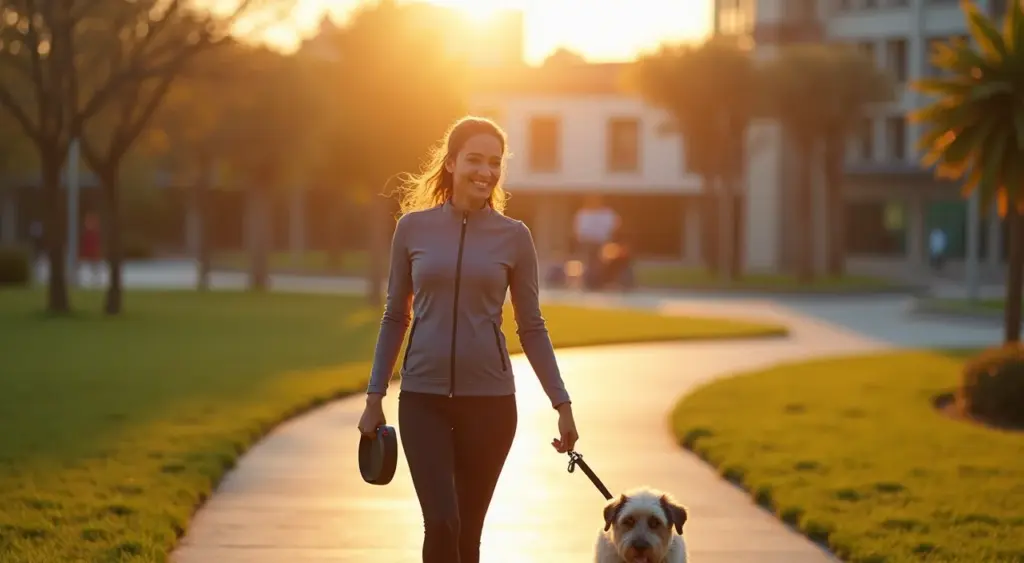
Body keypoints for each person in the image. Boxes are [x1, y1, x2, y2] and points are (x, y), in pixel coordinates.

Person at [357, 116, 579, 563]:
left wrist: (562, 405)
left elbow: (532, 326)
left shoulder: (514, 237)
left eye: (495, 163)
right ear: (452, 162)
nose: (486, 171)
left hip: (491, 404)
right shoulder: (412, 229)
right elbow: (394, 315)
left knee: (467, 535)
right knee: (442, 521)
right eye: (475, 159)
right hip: (423, 399)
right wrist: (374, 396)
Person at [572, 195, 620, 290]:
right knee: (587, 264)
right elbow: (578, 229)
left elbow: (615, 225)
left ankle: (599, 283)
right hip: (587, 242)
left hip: (601, 242)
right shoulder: (583, 213)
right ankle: (588, 283)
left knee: (599, 264)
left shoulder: (606, 213)